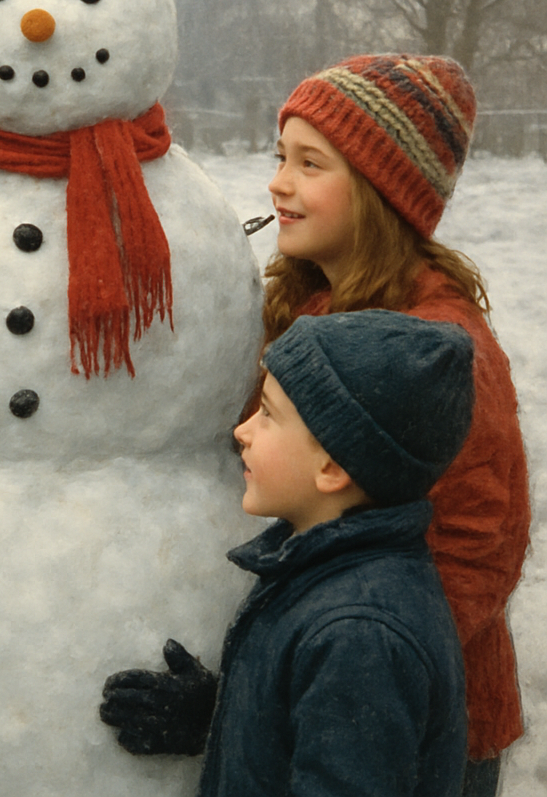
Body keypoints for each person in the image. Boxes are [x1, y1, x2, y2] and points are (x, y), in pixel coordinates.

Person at [100, 54, 530, 797]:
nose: (278, 182)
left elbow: (476, 546)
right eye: (280, 156)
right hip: (316, 679)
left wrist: (310, 684)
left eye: (310, 164)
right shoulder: (311, 303)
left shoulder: (435, 349)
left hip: (399, 727)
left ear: (380, 190)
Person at [106, 309, 475, 796]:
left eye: (269, 415)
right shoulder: (323, 571)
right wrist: (226, 714)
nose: (243, 431)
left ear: (331, 467)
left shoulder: (359, 633)